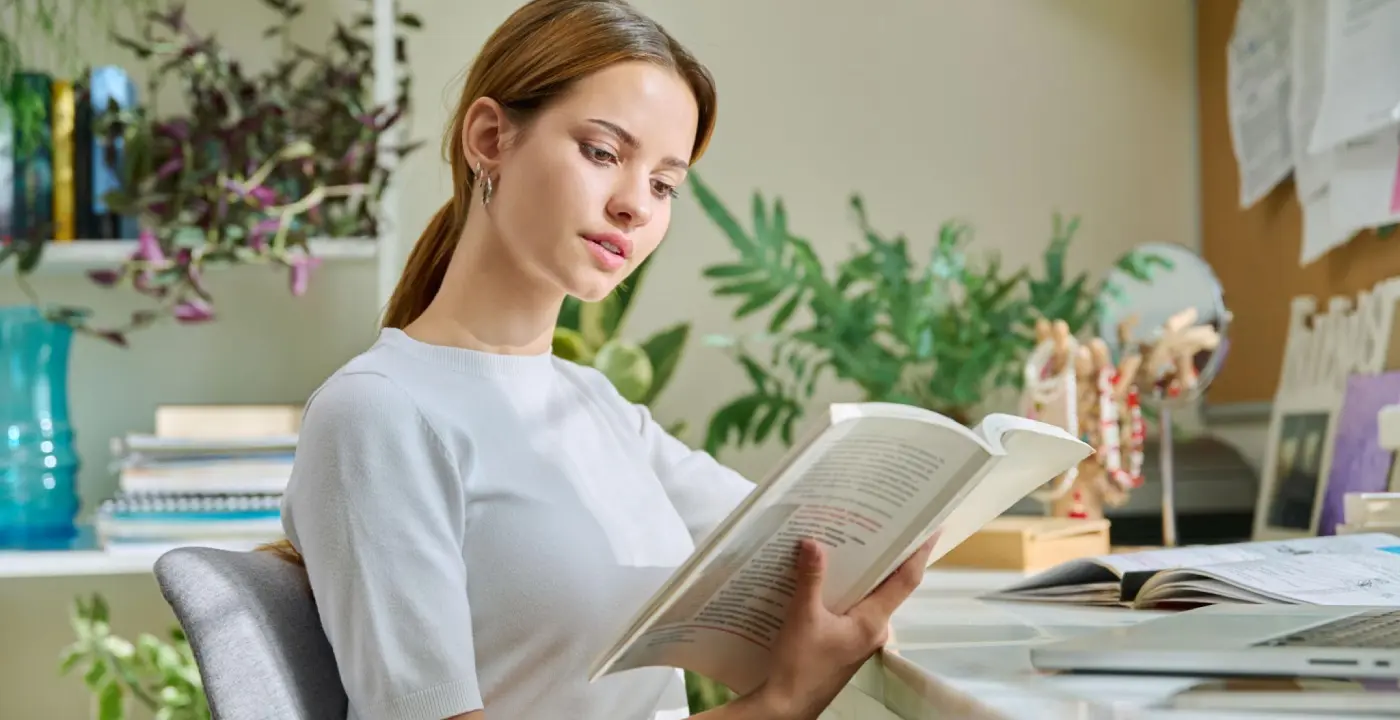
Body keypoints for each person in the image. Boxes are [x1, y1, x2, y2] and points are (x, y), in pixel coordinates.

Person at [265, 1, 937, 718]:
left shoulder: (592, 405)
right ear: (490, 138)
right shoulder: (379, 412)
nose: (635, 207)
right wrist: (780, 705)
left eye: (663, 184)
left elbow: (808, 545)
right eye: (603, 153)